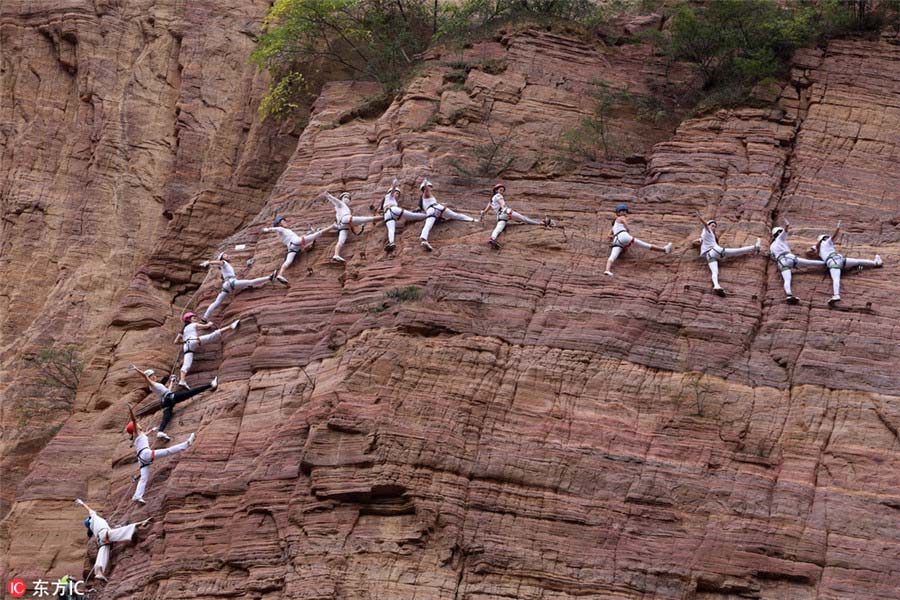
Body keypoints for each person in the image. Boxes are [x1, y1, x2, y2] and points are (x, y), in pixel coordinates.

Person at [126, 404, 195, 504]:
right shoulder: (137, 432)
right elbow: (134, 420)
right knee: (167, 451)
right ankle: (186, 444)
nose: (139, 424)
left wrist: (151, 430)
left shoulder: (139, 435)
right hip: (146, 454)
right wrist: (131, 410)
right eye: (137, 424)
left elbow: (145, 434)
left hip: (141, 459)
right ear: (135, 427)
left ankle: (137, 496)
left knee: (144, 479)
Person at [131, 366, 217, 441]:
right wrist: (136, 369)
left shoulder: (156, 385)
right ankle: (211, 385)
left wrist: (172, 381)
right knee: (190, 393)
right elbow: (144, 376)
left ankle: (160, 432)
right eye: (152, 375)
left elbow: (167, 390)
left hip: (165, 401)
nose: (154, 376)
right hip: (170, 398)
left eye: (154, 375)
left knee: (167, 416)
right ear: (149, 377)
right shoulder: (152, 384)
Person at [74, 498, 151, 581]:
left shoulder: (93, 527)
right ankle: (140, 524)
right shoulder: (93, 517)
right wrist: (82, 503)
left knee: (102, 555)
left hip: (102, 538)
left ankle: (99, 573)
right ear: (89, 520)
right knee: (123, 531)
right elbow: (89, 509)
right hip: (105, 534)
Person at [810, 222, 883, 304]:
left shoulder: (822, 246)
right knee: (857, 262)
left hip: (833, 262)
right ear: (824, 239)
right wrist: (838, 228)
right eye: (826, 237)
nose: (828, 238)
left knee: (837, 278)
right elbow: (834, 236)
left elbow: (813, 249)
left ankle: (836, 295)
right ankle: (875, 263)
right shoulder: (826, 242)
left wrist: (816, 247)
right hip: (840, 260)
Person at [696, 214, 761, 295]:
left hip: (709, 256)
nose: (714, 228)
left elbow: (696, 241)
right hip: (716, 251)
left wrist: (697, 242)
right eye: (713, 225)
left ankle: (716, 285)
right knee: (737, 251)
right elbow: (705, 225)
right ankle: (755, 247)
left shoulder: (704, 236)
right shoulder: (707, 231)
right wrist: (700, 218)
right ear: (709, 226)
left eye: (715, 226)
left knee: (715, 272)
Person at [200, 253, 276, 321]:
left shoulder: (226, 267)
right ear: (222, 258)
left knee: (217, 302)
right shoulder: (224, 263)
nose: (228, 255)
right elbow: (219, 262)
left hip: (227, 285)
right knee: (250, 282)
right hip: (231, 283)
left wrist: (248, 267)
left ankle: (204, 318)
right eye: (225, 255)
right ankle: (269, 278)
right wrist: (209, 262)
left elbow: (235, 275)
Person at [603, 204, 672, 276]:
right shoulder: (621, 217)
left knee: (612, 256)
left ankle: (607, 270)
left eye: (625, 211)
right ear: (618, 213)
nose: (624, 213)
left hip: (616, 241)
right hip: (624, 236)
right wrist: (627, 230)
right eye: (623, 211)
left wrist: (613, 236)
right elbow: (626, 226)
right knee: (644, 245)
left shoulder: (613, 227)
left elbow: (608, 236)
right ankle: (664, 249)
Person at [175, 312, 239, 388]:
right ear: (189, 319)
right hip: (194, 341)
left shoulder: (183, 330)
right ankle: (230, 326)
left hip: (186, 346)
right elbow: (206, 326)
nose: (195, 318)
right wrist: (210, 323)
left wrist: (184, 341)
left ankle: (182, 381)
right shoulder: (193, 324)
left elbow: (176, 342)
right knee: (213, 335)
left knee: (186, 365)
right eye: (193, 317)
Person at [262, 217, 335, 283]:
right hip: (296, 242)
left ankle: (280, 274)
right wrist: (268, 229)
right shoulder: (281, 229)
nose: (285, 223)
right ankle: (332, 226)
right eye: (283, 222)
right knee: (315, 235)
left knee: (288, 261)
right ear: (279, 224)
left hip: (292, 247)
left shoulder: (281, 234)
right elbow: (275, 229)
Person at [480, 183, 552, 249]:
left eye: (502, 190)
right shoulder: (498, 195)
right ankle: (542, 223)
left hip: (500, 216)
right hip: (506, 212)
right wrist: (504, 208)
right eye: (500, 190)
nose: (501, 192)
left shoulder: (491, 201)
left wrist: (481, 216)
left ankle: (492, 238)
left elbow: (485, 211)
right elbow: (502, 203)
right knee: (524, 219)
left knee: (498, 229)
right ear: (496, 190)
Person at [769, 224, 824, 304]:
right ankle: (825, 264)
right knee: (809, 262)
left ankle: (789, 295)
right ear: (778, 233)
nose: (781, 233)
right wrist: (787, 226)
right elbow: (785, 231)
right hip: (789, 257)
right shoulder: (779, 239)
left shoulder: (771, 246)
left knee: (787, 280)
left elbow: (773, 257)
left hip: (781, 262)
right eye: (779, 232)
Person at [417, 178, 477, 251]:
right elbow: (426, 189)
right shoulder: (426, 194)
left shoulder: (424, 199)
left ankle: (424, 239)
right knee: (455, 216)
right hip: (437, 208)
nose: (430, 188)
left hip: (432, 211)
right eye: (430, 186)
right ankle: (473, 220)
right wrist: (425, 182)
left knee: (428, 225)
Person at [325, 191, 379, 262]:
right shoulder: (340, 204)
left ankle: (336, 255)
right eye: (345, 197)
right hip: (346, 219)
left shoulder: (344, 207)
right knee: (366, 219)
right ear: (341, 198)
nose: (347, 199)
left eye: (348, 198)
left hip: (343, 226)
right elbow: (334, 200)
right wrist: (328, 195)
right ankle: (384, 217)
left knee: (341, 241)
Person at [380, 179, 427, 251]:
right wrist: (394, 184)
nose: (397, 195)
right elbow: (392, 191)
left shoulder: (388, 200)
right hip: (394, 210)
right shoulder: (389, 196)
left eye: (398, 194)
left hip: (387, 215)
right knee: (412, 215)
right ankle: (427, 215)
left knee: (391, 229)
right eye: (397, 193)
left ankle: (391, 242)